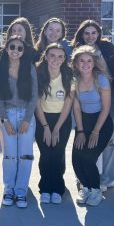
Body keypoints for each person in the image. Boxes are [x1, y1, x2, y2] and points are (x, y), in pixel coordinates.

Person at [72, 19, 114, 190]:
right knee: (85, 138)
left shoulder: (107, 48)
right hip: (86, 97)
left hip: (108, 95)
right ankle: (87, 177)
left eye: (94, 33)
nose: (90, 36)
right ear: (81, 34)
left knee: (109, 139)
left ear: (99, 34)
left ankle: (108, 177)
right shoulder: (77, 50)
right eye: (87, 33)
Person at [0, 35, 38, 208]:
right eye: (12, 47)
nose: (15, 51)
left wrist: (27, 119)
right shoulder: (1, 69)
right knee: (10, 155)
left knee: (25, 156)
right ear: (7, 49)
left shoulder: (29, 68)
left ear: (23, 51)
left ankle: (21, 191)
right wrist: (5, 120)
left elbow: (34, 95)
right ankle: (9, 189)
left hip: (27, 115)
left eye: (20, 48)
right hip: (8, 115)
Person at [71, 45, 114, 207]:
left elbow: (106, 108)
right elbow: (76, 107)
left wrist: (95, 132)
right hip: (84, 122)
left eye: (89, 61)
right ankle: (86, 188)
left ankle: (96, 190)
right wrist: (80, 131)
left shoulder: (101, 79)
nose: (85, 64)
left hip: (101, 124)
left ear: (94, 63)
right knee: (76, 158)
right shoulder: (73, 80)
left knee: (89, 158)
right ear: (76, 63)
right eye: (81, 61)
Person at [34, 43, 73, 204]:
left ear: (64, 59)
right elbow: (36, 104)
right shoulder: (38, 74)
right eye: (52, 55)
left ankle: (57, 188)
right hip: (42, 119)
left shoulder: (69, 76)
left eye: (60, 56)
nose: (55, 59)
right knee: (45, 154)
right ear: (46, 57)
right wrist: (45, 128)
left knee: (57, 153)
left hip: (61, 120)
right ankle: (45, 188)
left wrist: (56, 129)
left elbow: (67, 105)